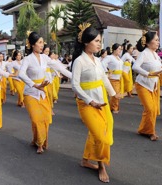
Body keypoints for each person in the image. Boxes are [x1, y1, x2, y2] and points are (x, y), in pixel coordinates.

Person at [71, 23, 121, 183]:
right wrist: (90, 101)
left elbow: (104, 79)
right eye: (97, 40)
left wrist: (114, 95)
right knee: (101, 136)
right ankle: (101, 165)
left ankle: (85, 159)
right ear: (86, 42)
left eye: (100, 41)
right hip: (87, 104)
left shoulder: (98, 60)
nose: (100, 44)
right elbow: (75, 85)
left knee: (103, 130)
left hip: (102, 101)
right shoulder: (79, 61)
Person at [19, 31, 72, 154]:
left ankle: (38, 140)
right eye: (40, 42)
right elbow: (21, 74)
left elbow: (58, 67)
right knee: (37, 119)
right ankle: (39, 143)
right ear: (32, 45)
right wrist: (34, 85)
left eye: (43, 42)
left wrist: (74, 76)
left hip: (42, 92)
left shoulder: (44, 58)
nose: (42, 45)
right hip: (30, 93)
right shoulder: (27, 59)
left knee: (45, 118)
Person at [132, 31, 162, 141]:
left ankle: (143, 129)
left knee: (152, 109)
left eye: (158, 40)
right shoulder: (144, 53)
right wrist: (148, 74)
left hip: (153, 84)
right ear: (148, 42)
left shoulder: (155, 54)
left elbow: (157, 70)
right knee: (150, 109)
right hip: (143, 84)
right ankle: (150, 132)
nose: (158, 42)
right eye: (156, 40)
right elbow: (135, 67)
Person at [102, 43, 124, 113]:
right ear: (114, 49)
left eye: (121, 49)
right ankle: (114, 108)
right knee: (115, 93)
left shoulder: (119, 58)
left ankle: (113, 107)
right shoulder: (109, 57)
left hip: (119, 78)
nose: (120, 50)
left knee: (117, 93)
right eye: (119, 49)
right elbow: (102, 64)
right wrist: (107, 72)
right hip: (113, 78)